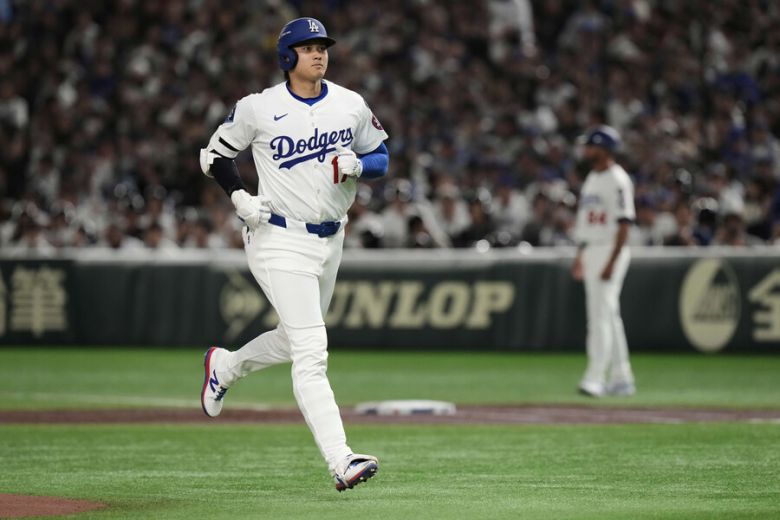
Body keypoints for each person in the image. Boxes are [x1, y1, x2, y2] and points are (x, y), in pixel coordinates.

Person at [197, 17, 389, 492]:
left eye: (322, 46)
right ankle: (341, 459)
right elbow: (214, 155)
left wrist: (359, 164)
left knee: (292, 339)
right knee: (311, 350)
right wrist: (239, 197)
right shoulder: (259, 107)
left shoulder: (350, 103)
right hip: (278, 237)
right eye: (307, 47)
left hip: (331, 238)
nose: (319, 53)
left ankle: (224, 367)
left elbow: (383, 157)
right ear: (287, 56)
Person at [571, 126, 636, 397]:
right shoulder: (592, 178)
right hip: (592, 248)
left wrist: (612, 260)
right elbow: (585, 222)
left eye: (591, 146)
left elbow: (624, 223)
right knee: (608, 314)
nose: (586, 150)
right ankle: (622, 377)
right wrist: (580, 255)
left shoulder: (617, 179)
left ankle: (595, 376)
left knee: (599, 316)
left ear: (604, 149)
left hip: (609, 248)